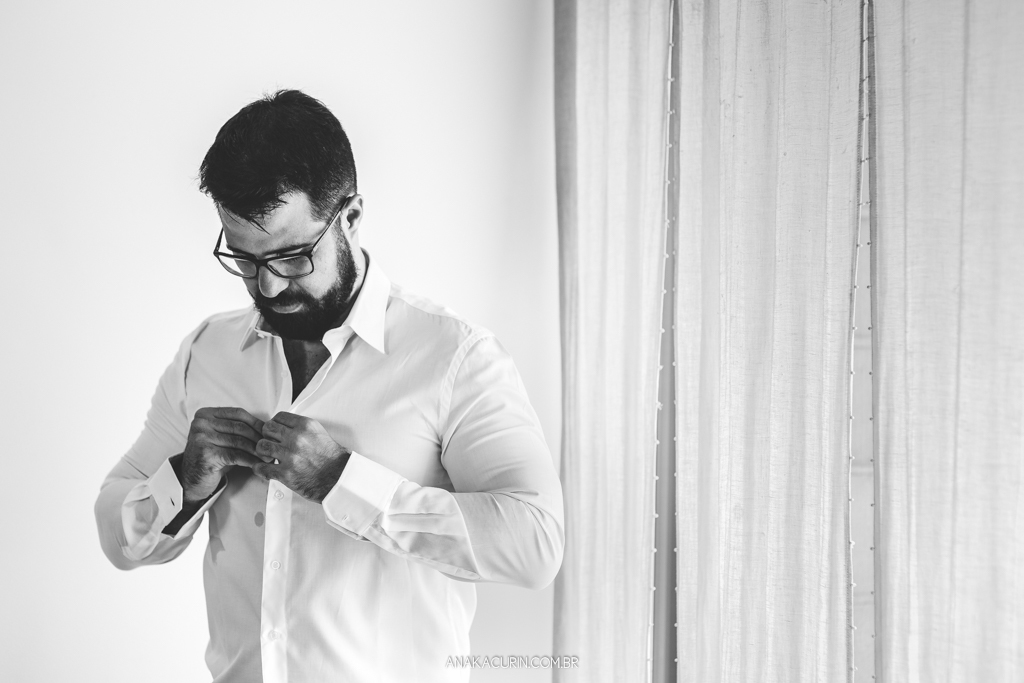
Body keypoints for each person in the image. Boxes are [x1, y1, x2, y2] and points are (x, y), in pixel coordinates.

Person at [94, 89, 565, 683]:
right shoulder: (206, 353)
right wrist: (182, 483)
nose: (266, 288)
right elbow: (118, 534)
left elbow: (536, 544)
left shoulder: (454, 358)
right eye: (243, 258)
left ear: (350, 218)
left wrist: (344, 484)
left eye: (291, 256)